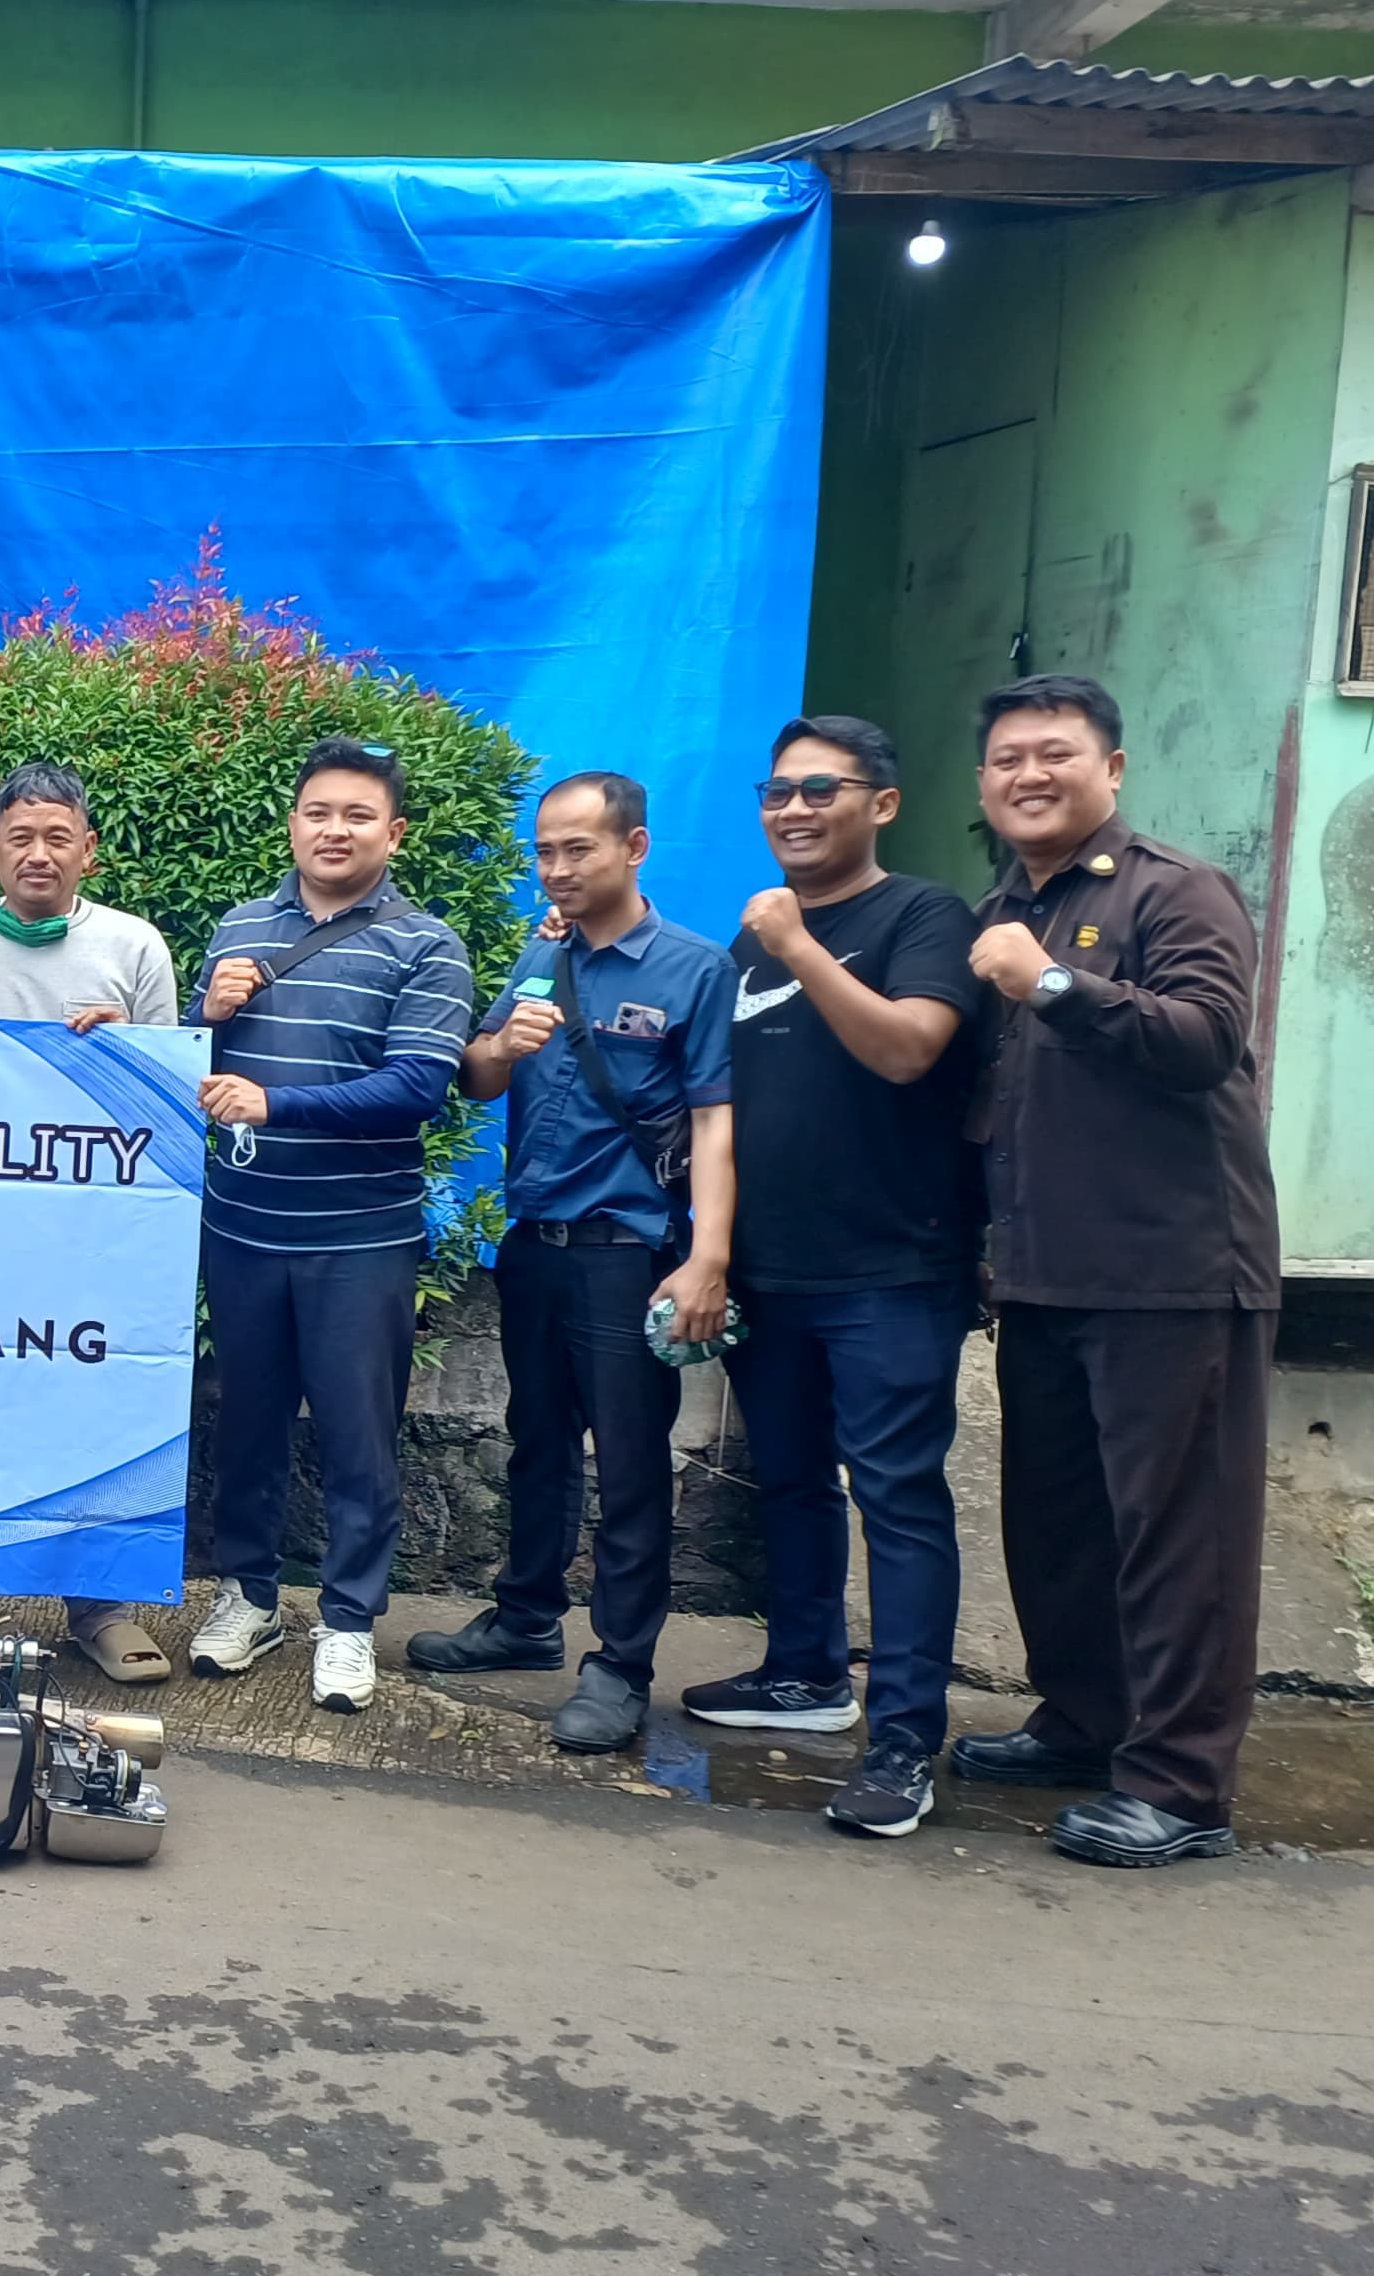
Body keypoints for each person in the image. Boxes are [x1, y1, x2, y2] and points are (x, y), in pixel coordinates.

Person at [954, 673, 1281, 1869]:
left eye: (1055, 753)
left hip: (1172, 1272)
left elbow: (1204, 1039)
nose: (1028, 776)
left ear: (1113, 769)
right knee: (1059, 1525)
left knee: (1178, 1536)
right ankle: (1086, 1719)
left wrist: (1048, 983)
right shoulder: (1001, 907)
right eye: (1007, 759)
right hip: (1043, 1273)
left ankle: (1182, 1785)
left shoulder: (1173, 889)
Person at [686, 716, 985, 1840]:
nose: (795, 809)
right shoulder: (752, 938)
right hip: (772, 1271)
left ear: (882, 804)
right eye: (779, 790)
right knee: (791, 1480)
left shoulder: (923, 916)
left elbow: (908, 1048)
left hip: (891, 1271)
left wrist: (800, 945)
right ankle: (806, 1672)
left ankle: (904, 1740)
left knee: (898, 1498)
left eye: (822, 788)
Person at [411, 772, 734, 1754]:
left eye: (577, 849)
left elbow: (716, 1121)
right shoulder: (540, 951)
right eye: (544, 851)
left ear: (634, 848)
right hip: (534, 1246)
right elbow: (476, 1076)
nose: (556, 868)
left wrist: (708, 1256)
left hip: (625, 1251)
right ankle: (525, 1617)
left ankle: (622, 1665)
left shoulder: (693, 968)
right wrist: (501, 1046)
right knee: (536, 1441)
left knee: (629, 1462)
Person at [185, 740, 476, 1715]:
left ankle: (348, 1620)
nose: (334, 830)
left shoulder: (426, 944)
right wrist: (203, 1013)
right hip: (242, 1229)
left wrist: (277, 1104)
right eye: (318, 812)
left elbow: (418, 1087)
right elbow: (188, 1066)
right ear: (293, 824)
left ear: (393, 833)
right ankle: (249, 1596)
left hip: (360, 1239)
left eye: (357, 815)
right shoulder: (240, 927)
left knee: (358, 1437)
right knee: (247, 1426)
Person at [0, 763, 181, 1682]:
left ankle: (101, 1606)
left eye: (58, 837)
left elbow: (168, 1092)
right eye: (21, 837)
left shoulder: (135, 947)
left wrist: (127, 1045)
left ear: (88, 849)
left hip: (95, 1234)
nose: (39, 854)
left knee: (97, 1409)